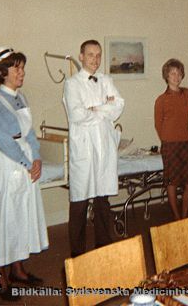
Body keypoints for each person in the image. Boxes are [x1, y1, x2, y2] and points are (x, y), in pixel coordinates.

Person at [0, 47, 48, 299]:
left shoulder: (22, 98)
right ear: (3, 72)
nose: (22, 72)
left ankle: (18, 269)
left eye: (22, 67)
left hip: (26, 163)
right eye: (17, 68)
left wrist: (37, 158)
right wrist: (25, 161)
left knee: (22, 216)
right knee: (5, 218)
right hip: (9, 164)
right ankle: (0, 274)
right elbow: (2, 138)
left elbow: (29, 133)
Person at [63, 39, 124, 257]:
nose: (95, 59)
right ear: (81, 56)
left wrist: (95, 108)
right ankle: (78, 257)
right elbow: (76, 114)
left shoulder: (106, 80)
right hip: (84, 150)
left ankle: (103, 250)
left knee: (102, 202)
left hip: (104, 147)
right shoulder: (72, 84)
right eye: (90, 55)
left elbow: (118, 107)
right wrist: (103, 109)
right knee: (79, 205)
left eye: (98, 55)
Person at [154, 59, 188, 220]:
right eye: (173, 73)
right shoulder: (161, 100)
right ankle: (177, 217)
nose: (176, 76)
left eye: (179, 73)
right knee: (172, 182)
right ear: (167, 76)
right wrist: (167, 139)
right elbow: (158, 125)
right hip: (170, 145)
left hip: (186, 143)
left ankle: (185, 215)